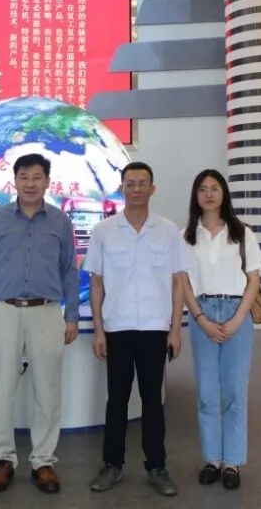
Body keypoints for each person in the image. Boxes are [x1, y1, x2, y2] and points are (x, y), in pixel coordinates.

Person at [0, 153, 79, 494]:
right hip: (3, 310)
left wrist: (72, 315)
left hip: (46, 311)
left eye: (37, 177)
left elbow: (69, 271)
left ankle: (43, 461)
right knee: (1, 388)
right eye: (24, 177)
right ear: (14, 180)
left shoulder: (60, 221)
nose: (30, 183)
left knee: (48, 389)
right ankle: (2, 460)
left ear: (47, 181)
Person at [85, 162, 191, 496]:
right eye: (130, 183)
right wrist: (99, 330)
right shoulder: (104, 231)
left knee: (152, 402)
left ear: (152, 188)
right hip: (117, 328)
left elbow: (178, 282)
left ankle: (156, 466)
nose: (136, 189)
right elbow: (97, 284)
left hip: (155, 330)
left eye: (142, 183)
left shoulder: (168, 231)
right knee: (116, 400)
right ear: (122, 188)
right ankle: (112, 465)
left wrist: (175, 330)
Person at [179, 169, 261, 490]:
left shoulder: (242, 233)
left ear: (224, 193)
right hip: (202, 313)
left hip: (235, 312)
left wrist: (238, 319)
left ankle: (232, 462)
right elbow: (183, 282)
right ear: (196, 195)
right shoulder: (186, 235)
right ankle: (212, 459)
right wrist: (200, 318)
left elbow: (253, 279)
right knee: (206, 393)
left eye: (215, 188)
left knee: (235, 391)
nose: (209, 194)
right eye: (203, 189)